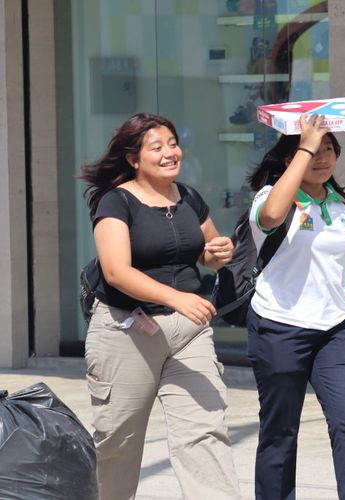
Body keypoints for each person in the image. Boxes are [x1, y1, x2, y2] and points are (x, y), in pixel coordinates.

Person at [80, 113, 241, 500]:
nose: (170, 152)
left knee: (204, 433)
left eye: (173, 143)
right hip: (126, 332)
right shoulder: (115, 202)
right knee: (118, 443)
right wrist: (174, 297)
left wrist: (218, 252)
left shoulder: (188, 197)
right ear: (133, 159)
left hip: (189, 335)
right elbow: (116, 271)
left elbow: (207, 253)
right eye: (157, 147)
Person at [246, 114, 345, 499]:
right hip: (279, 328)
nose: (321, 158)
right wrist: (304, 145)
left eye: (328, 149)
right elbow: (271, 216)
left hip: (335, 331)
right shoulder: (270, 198)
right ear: (290, 158)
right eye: (310, 151)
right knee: (280, 432)